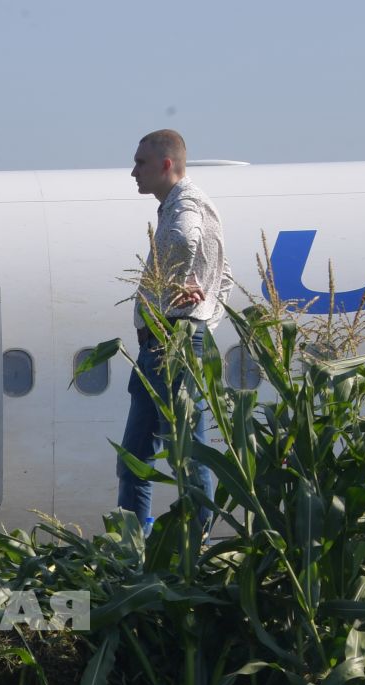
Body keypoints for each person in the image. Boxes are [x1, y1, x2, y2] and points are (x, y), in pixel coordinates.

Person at [118, 128, 232, 530]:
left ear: (166, 165)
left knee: (187, 450)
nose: (133, 171)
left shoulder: (186, 205)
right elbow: (224, 274)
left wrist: (178, 286)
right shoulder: (176, 205)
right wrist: (206, 300)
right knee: (134, 455)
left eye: (140, 162)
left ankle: (194, 545)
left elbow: (185, 240)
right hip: (160, 343)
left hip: (174, 341)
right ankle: (135, 541)